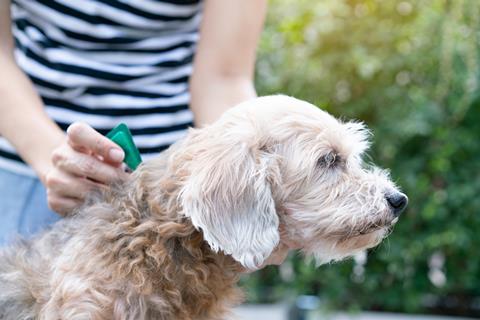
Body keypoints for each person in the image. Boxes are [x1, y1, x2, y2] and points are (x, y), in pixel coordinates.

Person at [0, 0, 267, 244]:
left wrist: (240, 171)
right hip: (27, 166)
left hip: (167, 187)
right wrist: (52, 158)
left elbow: (223, 79)